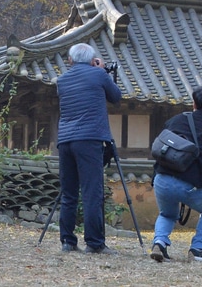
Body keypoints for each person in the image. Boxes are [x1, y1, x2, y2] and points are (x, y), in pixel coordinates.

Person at [148, 84, 202, 263]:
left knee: (167, 214)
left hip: (162, 179)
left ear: (193, 103)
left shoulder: (175, 120)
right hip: (193, 185)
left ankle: (160, 242)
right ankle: (198, 249)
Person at [55, 42, 123, 254]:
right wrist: (102, 70)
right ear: (93, 59)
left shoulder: (62, 80)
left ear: (70, 60)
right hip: (89, 138)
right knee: (92, 192)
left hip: (65, 140)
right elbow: (116, 97)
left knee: (68, 193)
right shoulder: (99, 75)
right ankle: (94, 243)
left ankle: (68, 241)